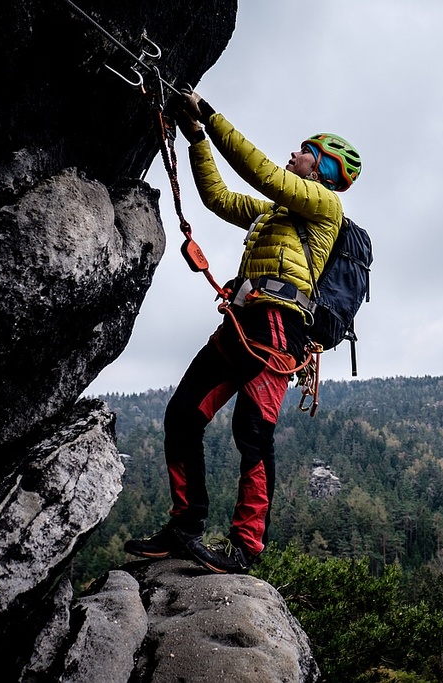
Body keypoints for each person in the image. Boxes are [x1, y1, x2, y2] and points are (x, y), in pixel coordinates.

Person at [124, 91, 362, 574]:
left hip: (279, 329)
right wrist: (194, 137)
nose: (292, 154)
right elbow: (218, 197)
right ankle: (185, 526)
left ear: (321, 167)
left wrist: (209, 115)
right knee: (182, 415)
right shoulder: (275, 214)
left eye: (303, 150)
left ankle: (246, 548)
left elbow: (264, 175)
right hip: (243, 321)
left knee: (252, 433)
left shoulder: (324, 207)